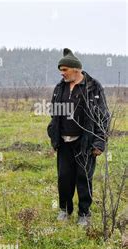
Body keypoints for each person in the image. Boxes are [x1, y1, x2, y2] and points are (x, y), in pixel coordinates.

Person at [47, 48, 110, 227]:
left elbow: (103, 116)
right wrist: (54, 135)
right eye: (61, 70)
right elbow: (54, 114)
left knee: (84, 178)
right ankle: (64, 210)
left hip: (85, 143)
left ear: (77, 69)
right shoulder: (60, 87)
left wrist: (99, 141)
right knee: (64, 178)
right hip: (64, 143)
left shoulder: (93, 87)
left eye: (65, 69)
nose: (62, 73)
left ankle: (84, 213)